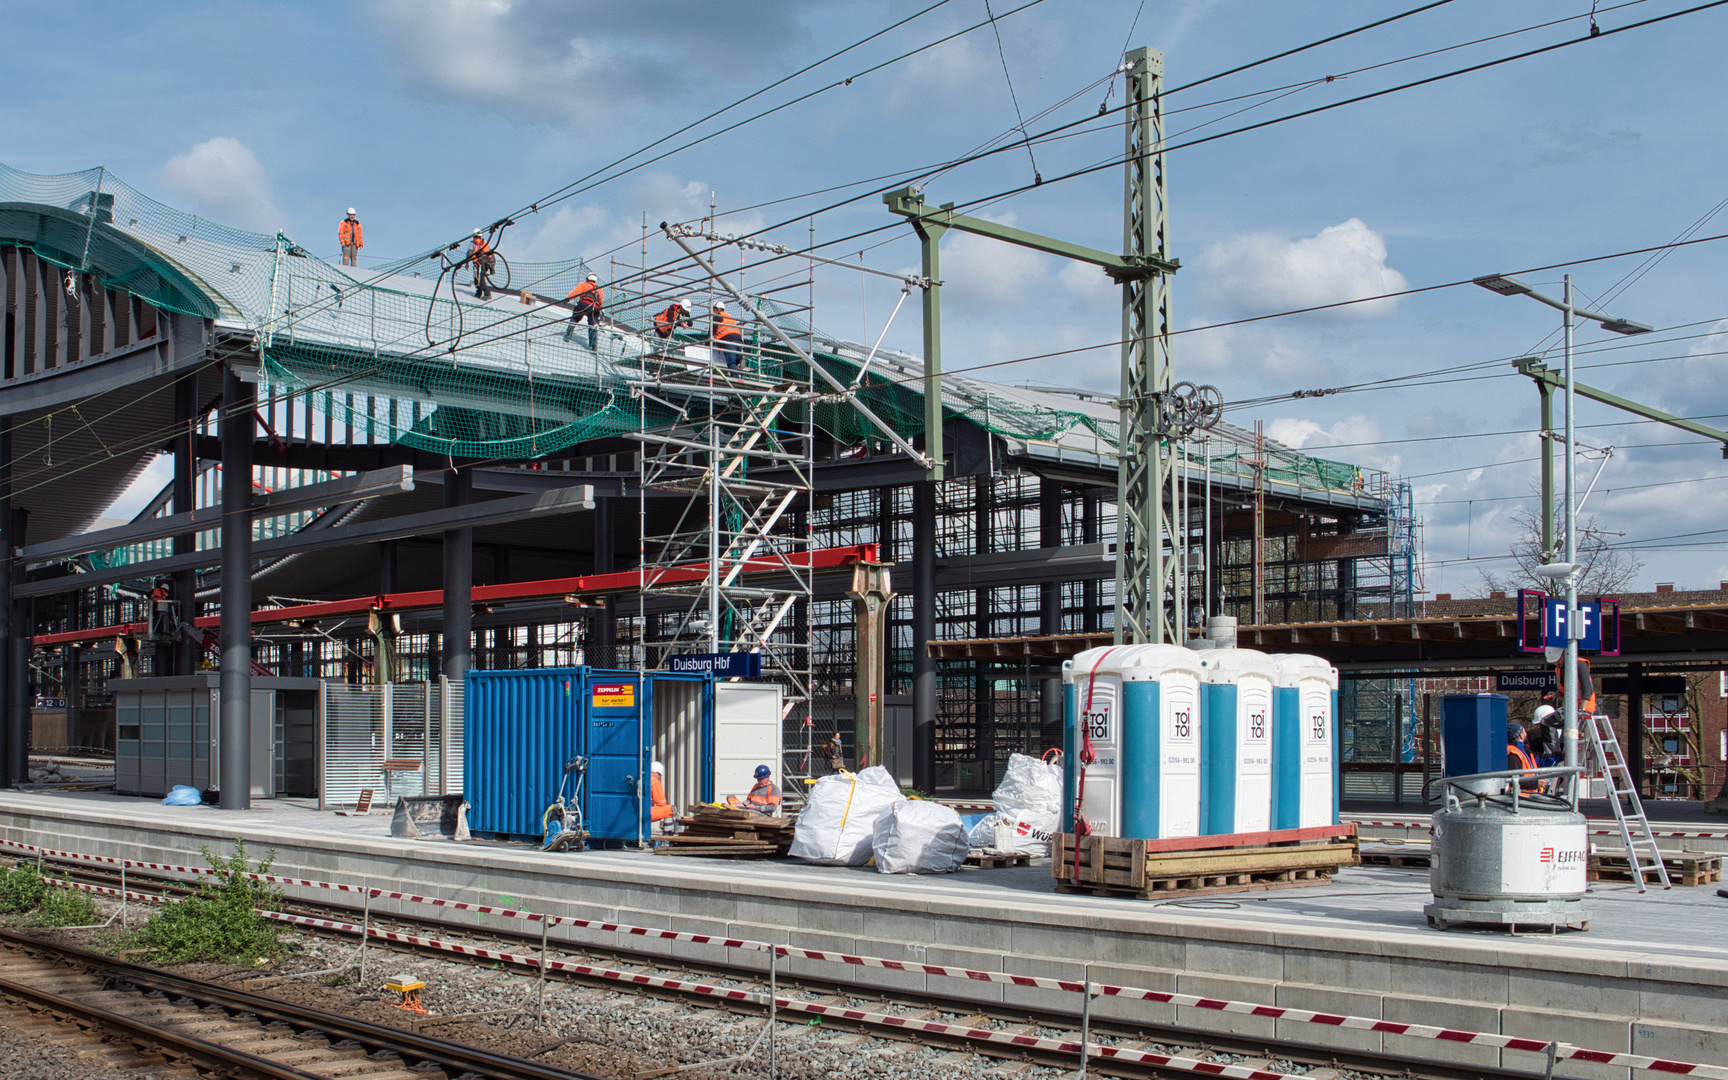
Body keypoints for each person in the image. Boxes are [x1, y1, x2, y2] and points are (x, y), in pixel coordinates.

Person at [565, 274, 604, 349]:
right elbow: (600, 302)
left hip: (584, 304)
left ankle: (569, 333)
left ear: (587, 279)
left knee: (575, 317)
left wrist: (568, 298)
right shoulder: (599, 290)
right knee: (593, 325)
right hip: (595, 308)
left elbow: (576, 292)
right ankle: (593, 345)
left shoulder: (584, 285)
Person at [1507, 721, 1540, 792]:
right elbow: (1515, 780)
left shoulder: (1523, 750)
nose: (1526, 733)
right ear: (1520, 735)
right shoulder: (1513, 753)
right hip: (1521, 797)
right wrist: (1537, 783)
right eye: (1524, 731)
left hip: (1528, 795)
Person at [711, 301, 743, 370]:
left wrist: (707, 345)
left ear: (716, 309)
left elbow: (711, 332)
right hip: (739, 340)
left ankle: (734, 380)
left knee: (731, 363)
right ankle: (740, 358)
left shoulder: (717, 317)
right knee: (735, 361)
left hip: (729, 341)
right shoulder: (730, 317)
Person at [469, 229, 495, 300]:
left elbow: (469, 254)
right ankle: (479, 292)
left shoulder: (481, 244)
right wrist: (492, 266)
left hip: (483, 264)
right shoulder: (478, 244)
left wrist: (491, 266)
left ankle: (487, 294)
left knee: (480, 280)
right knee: (476, 279)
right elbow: (470, 254)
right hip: (479, 264)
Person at [650, 760, 675, 825]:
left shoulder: (641, 778)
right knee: (670, 809)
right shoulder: (654, 781)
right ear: (657, 773)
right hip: (645, 812)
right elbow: (661, 803)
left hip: (632, 812)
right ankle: (667, 832)